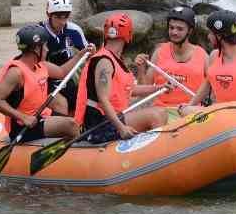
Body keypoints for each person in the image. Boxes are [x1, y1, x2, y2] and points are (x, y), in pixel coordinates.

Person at [74, 12, 172, 143]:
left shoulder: (113, 58)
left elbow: (130, 89)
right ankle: (156, 154)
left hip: (111, 118)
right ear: (128, 35)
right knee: (157, 114)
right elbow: (103, 100)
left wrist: (160, 88)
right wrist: (121, 128)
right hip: (100, 125)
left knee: (158, 110)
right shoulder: (105, 61)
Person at [0, 24, 90, 140]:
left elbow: (62, 72)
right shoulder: (16, 73)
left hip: (40, 116)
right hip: (22, 126)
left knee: (77, 121)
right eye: (45, 46)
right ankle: (75, 152)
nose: (47, 49)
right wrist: (23, 117)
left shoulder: (41, 65)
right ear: (36, 48)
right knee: (71, 125)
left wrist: (81, 54)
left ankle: (67, 146)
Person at [134, 5, 205, 108]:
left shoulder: (203, 55)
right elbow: (143, 92)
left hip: (190, 111)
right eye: (171, 28)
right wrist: (141, 69)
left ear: (190, 31)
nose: (174, 32)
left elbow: (213, 89)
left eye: (180, 29)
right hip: (161, 111)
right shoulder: (159, 52)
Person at [38, 0, 87, 113]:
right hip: (44, 80)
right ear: (49, 14)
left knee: (84, 99)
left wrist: (90, 52)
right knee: (62, 104)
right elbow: (37, 64)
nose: (62, 21)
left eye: (66, 16)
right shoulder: (39, 33)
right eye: (58, 17)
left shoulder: (74, 30)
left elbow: (88, 54)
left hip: (67, 78)